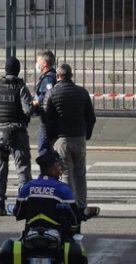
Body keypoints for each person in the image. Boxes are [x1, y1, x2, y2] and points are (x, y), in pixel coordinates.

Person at [0, 151, 87, 264]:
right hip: (55, 239)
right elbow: (74, 217)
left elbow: (18, 213)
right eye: (59, 166)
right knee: (78, 252)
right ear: (53, 168)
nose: (60, 169)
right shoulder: (63, 189)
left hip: (31, 237)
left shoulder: (27, 187)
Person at [0, 56, 35, 216]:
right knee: (23, 170)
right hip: (18, 132)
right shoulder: (21, 88)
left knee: (0, 169)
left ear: (5, 70)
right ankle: (24, 204)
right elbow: (28, 110)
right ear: (18, 70)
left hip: (2, 133)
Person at [44, 63, 99, 220]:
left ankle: (69, 205)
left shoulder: (52, 93)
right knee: (80, 173)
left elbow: (47, 120)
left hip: (62, 139)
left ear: (58, 76)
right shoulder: (82, 92)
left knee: (66, 172)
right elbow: (91, 118)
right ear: (71, 76)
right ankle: (81, 206)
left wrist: (50, 139)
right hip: (79, 138)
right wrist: (86, 135)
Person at [32, 50, 57, 156]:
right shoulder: (51, 75)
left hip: (48, 118)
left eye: (38, 61)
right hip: (50, 118)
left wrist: (37, 102)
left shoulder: (48, 78)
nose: (36, 64)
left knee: (43, 148)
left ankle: (48, 165)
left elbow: (48, 94)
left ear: (45, 64)